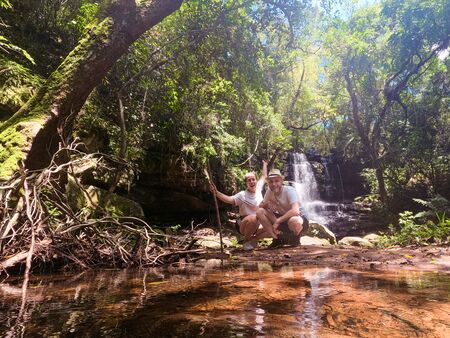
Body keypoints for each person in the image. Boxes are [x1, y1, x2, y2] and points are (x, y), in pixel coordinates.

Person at [209, 160, 269, 250]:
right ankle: (246, 241)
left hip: (257, 223)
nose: (252, 182)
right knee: (254, 218)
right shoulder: (242, 195)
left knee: (273, 225)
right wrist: (216, 193)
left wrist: (264, 164)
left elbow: (264, 176)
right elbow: (229, 199)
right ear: (246, 183)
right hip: (244, 224)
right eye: (249, 180)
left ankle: (253, 238)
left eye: (253, 179)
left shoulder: (259, 188)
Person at [256, 169, 309, 247]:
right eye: (271, 182)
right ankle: (277, 238)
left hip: (300, 219)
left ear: (281, 181)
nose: (274, 184)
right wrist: (267, 205)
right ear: (268, 183)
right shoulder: (269, 191)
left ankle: (296, 237)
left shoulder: (289, 190)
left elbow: (295, 211)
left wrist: (277, 221)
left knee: (294, 221)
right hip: (284, 219)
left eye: (276, 181)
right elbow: (260, 207)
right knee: (260, 212)